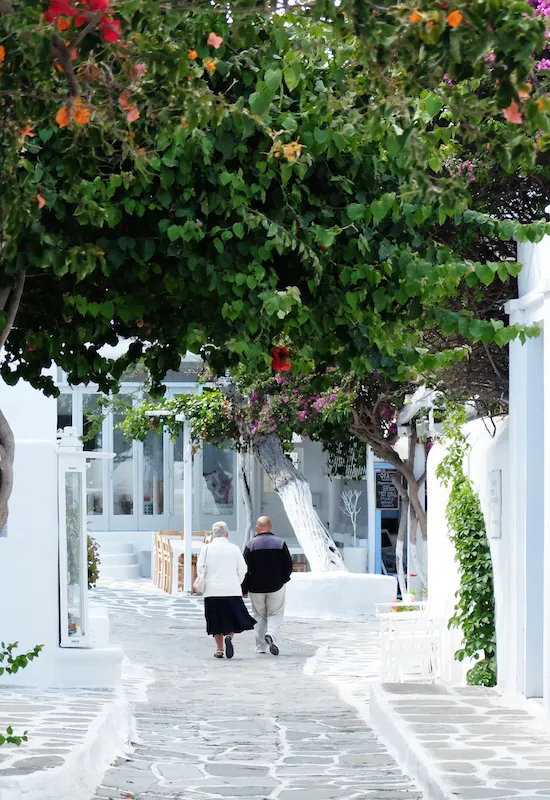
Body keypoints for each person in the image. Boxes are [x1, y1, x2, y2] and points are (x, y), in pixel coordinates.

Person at [197, 521, 256, 659]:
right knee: (231, 619)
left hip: (212, 591)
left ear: (213, 534)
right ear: (227, 534)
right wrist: (237, 581)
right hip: (232, 590)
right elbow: (243, 569)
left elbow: (200, 568)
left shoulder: (206, 549)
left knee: (215, 621)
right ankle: (228, 637)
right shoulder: (234, 548)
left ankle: (219, 649)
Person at [242, 516, 293, 656]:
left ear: (257, 529)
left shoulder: (250, 545)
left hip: (255, 587)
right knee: (275, 612)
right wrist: (283, 579)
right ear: (270, 527)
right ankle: (271, 634)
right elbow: (288, 565)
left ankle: (260, 646)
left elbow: (244, 568)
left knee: (258, 615)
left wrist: (244, 588)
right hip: (276, 585)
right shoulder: (280, 543)